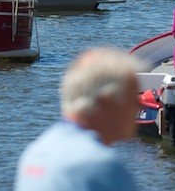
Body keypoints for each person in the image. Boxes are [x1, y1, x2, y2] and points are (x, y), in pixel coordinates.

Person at [14, 46, 141, 191]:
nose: (140, 105)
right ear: (107, 102)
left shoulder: (35, 153)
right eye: (132, 98)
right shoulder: (100, 166)